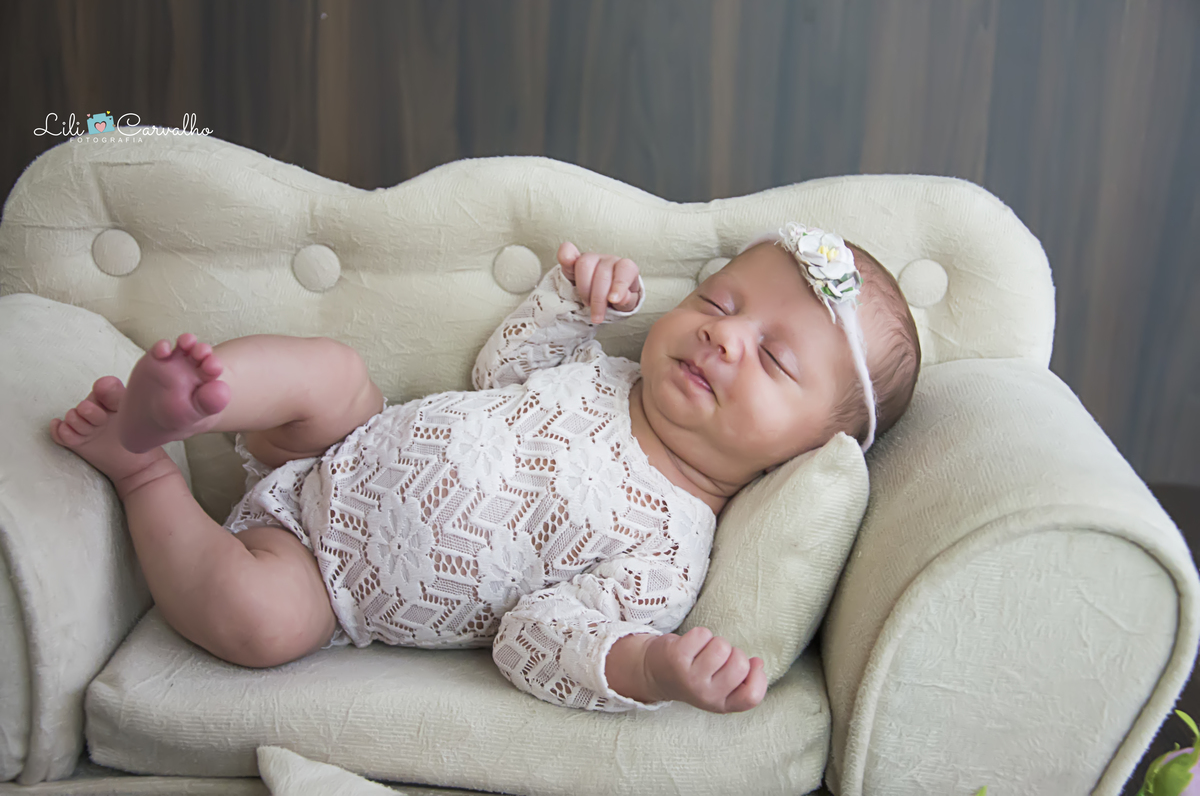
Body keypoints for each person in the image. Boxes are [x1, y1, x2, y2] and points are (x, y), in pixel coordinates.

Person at [48, 223, 920, 715]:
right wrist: (571, 301)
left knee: (262, 624)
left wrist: (648, 667)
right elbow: (500, 372)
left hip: (326, 581)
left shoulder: (669, 552)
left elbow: (533, 639)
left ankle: (141, 470)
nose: (722, 334)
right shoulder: (607, 375)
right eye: (716, 301)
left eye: (773, 358)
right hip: (342, 442)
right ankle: (196, 402)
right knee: (333, 374)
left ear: (804, 453)